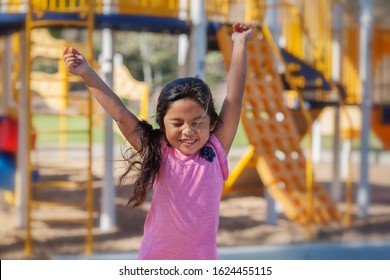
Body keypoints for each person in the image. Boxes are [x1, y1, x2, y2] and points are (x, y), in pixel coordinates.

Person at [63, 23, 252, 260]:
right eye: (177, 123)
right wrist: (86, 73)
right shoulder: (159, 150)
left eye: (197, 122)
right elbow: (120, 113)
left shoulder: (216, 149)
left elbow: (234, 96)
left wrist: (240, 43)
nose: (188, 131)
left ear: (212, 122)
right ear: (162, 124)